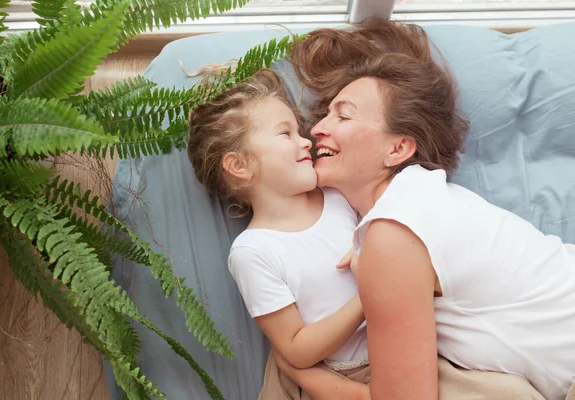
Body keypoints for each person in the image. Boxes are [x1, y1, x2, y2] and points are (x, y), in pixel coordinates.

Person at [281, 18, 575, 400]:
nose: (318, 127)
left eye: (344, 115)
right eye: (325, 114)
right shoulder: (421, 204)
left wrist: (300, 369)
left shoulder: (397, 230)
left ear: (398, 149)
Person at [187, 69, 372, 399]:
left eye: (298, 130)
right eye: (285, 134)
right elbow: (296, 350)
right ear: (240, 166)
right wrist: (369, 295)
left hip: (394, 348)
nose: (306, 141)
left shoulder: (339, 194)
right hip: (332, 371)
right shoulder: (254, 251)